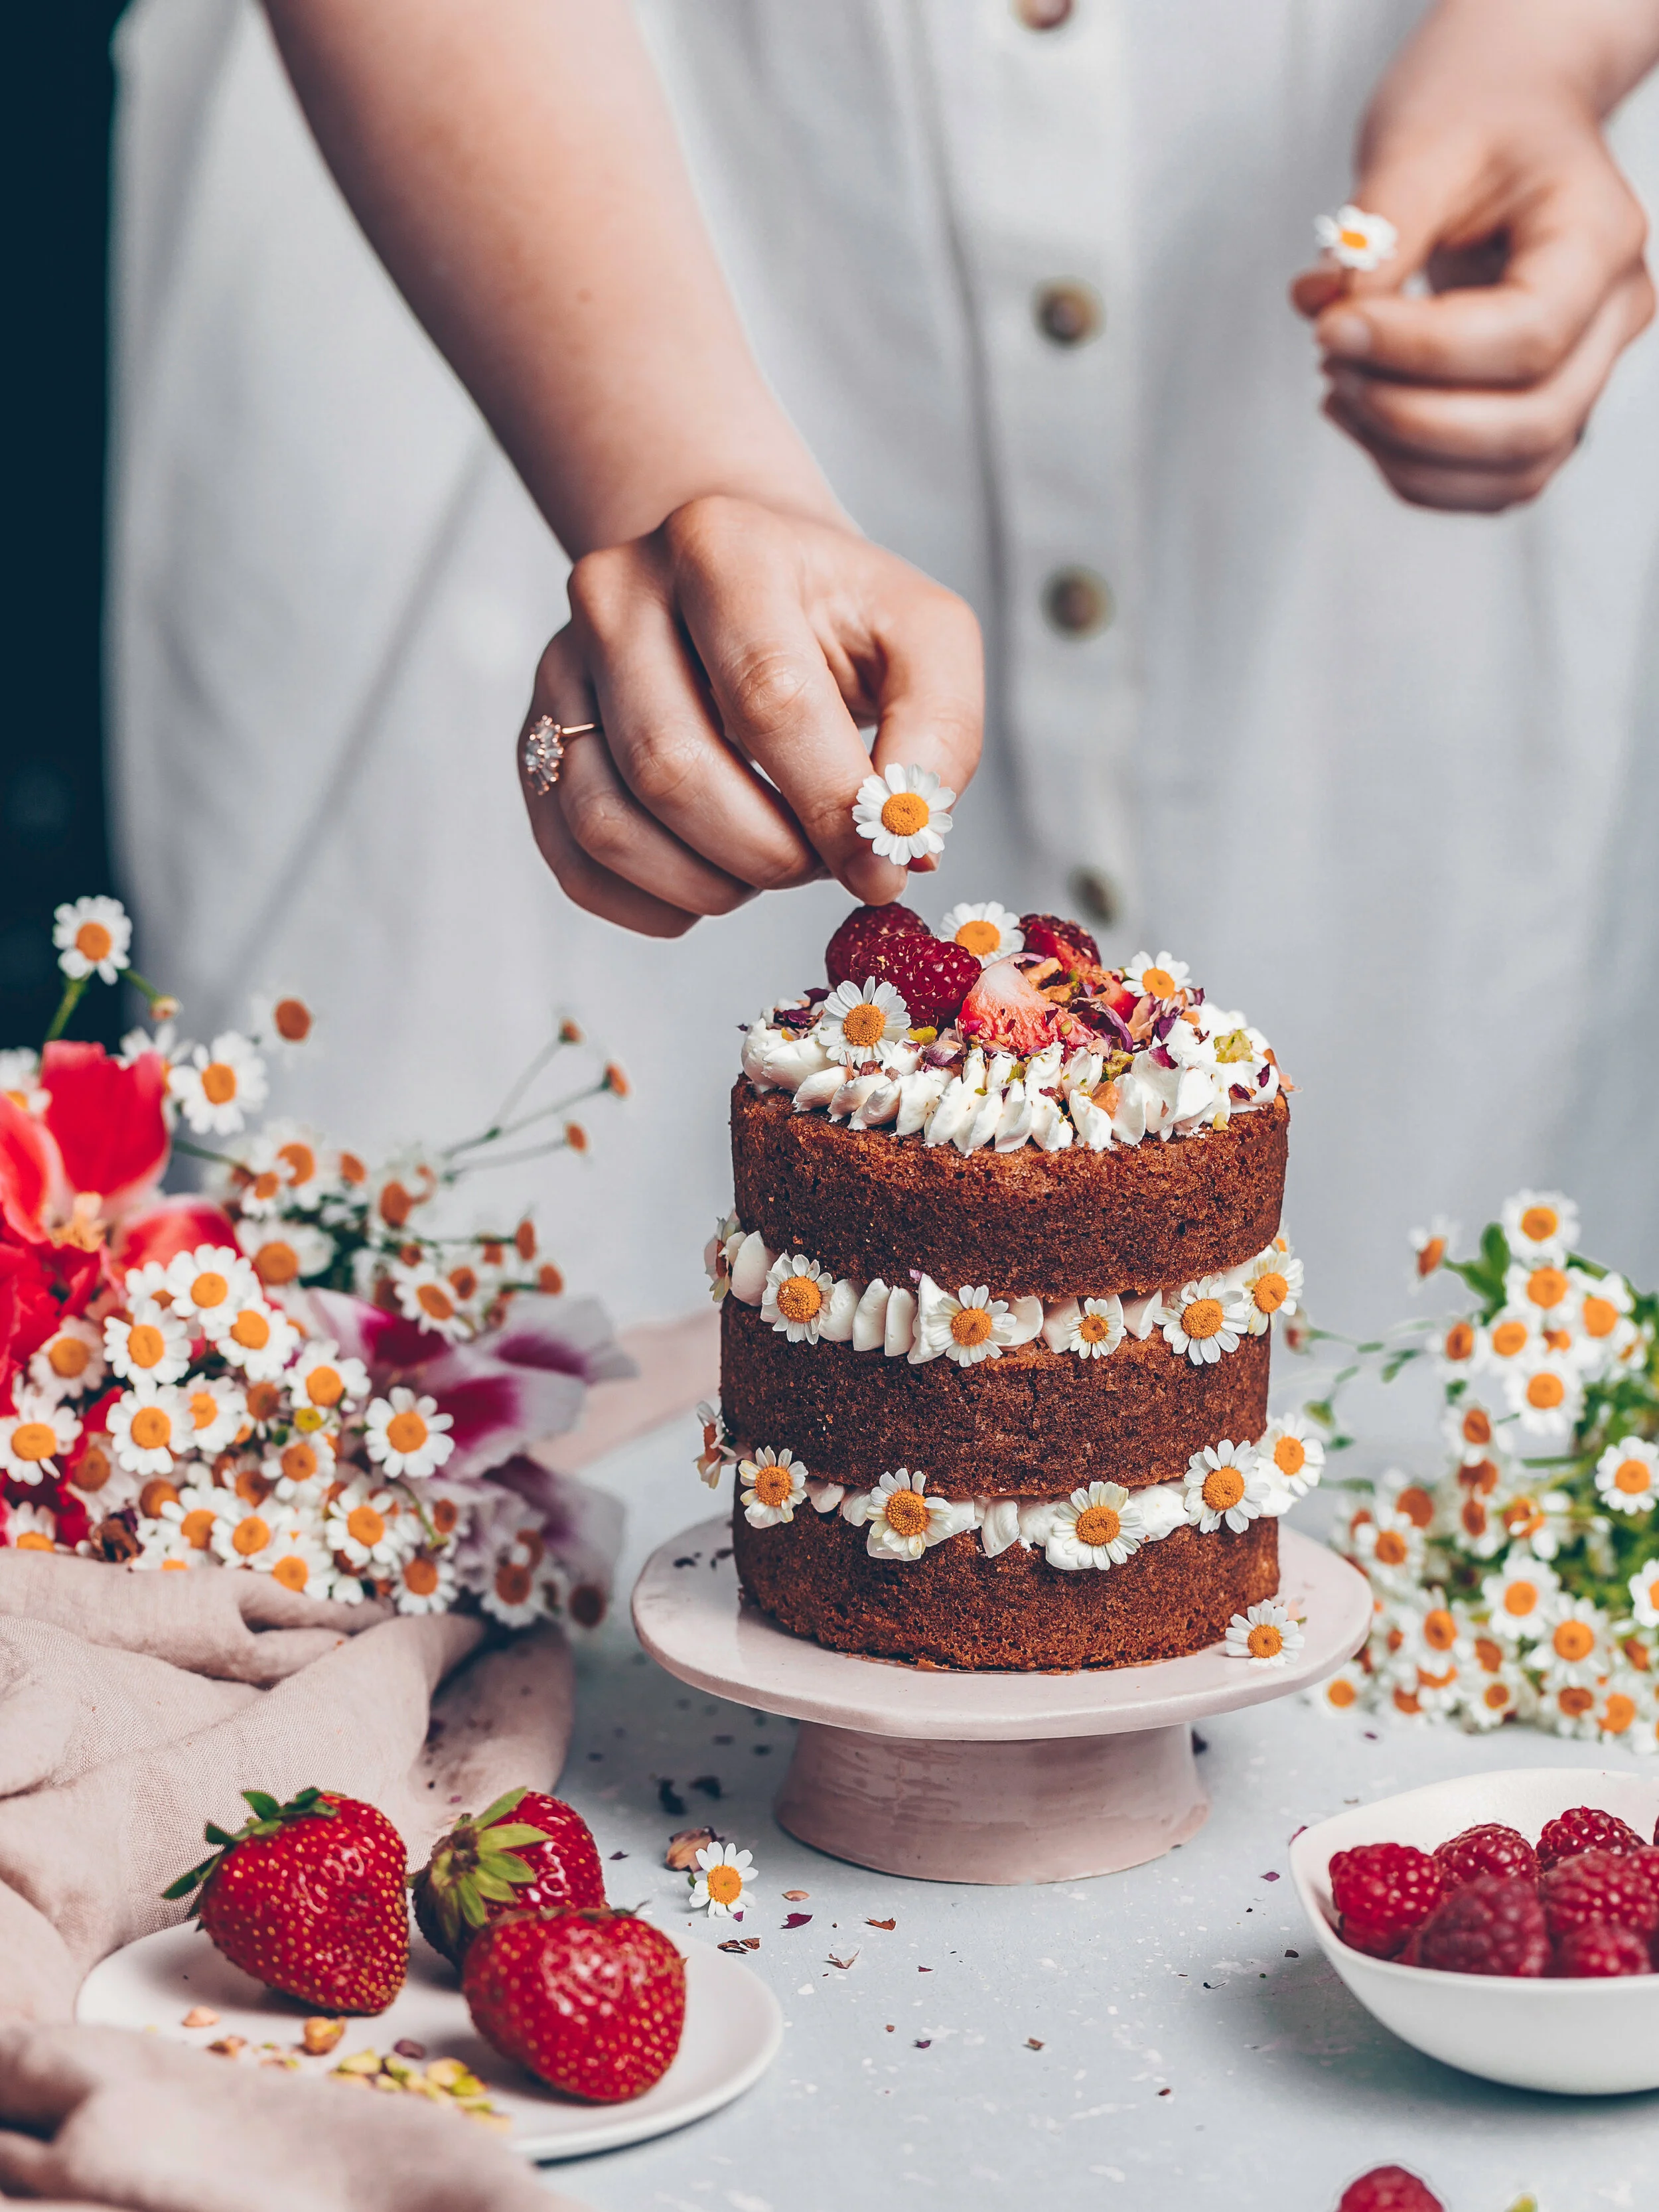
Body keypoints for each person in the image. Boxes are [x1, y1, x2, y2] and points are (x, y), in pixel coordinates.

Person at [108, 0, 1659, 1343]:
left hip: (1377, 241)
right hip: (540, 183)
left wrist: (1544, 43)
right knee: (472, 1412)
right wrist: (664, 466)